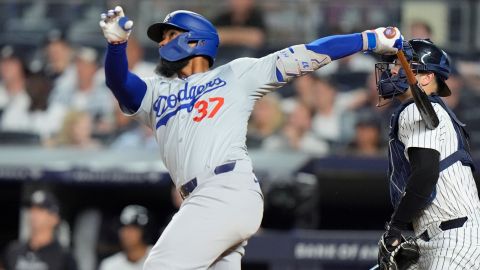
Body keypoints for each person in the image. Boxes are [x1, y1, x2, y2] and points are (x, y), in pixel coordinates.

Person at [99, 6, 402, 269]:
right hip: (205, 200)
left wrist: (370, 38)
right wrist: (116, 46)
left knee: (161, 265)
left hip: (224, 189)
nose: (162, 42)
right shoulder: (156, 92)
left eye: (169, 35)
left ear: (194, 39)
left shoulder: (235, 74)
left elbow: (308, 53)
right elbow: (121, 83)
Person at [375, 39, 480, 269]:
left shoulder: (417, 108)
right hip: (443, 235)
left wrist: (395, 229)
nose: (392, 71)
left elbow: (425, 174)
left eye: (401, 66)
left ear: (426, 77)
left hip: (453, 238)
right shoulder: (434, 111)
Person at [2, 190, 77, 270]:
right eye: (32, 209)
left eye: (40, 210)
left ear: (55, 218)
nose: (34, 214)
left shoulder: (64, 257)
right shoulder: (13, 251)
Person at [98, 205, 152, 270]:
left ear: (144, 231)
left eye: (133, 228)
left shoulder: (160, 255)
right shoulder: (109, 265)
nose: (126, 233)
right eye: (123, 227)